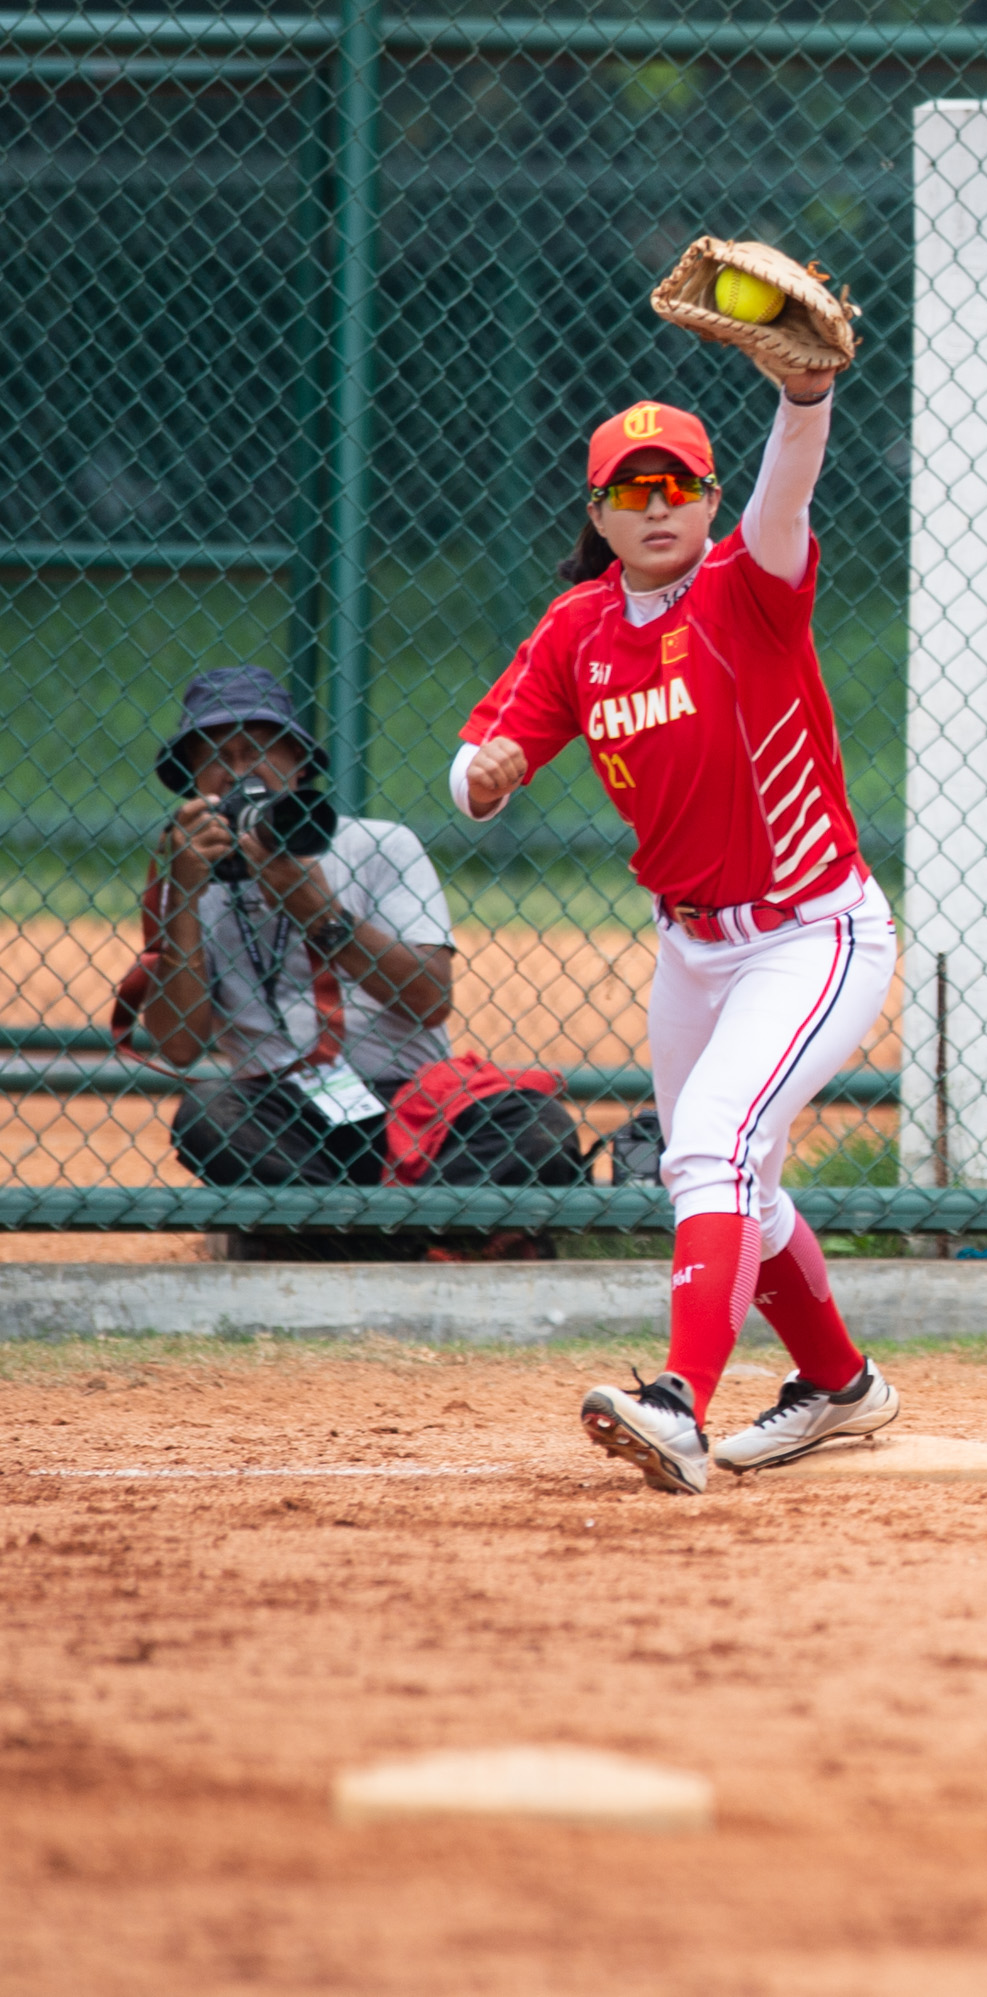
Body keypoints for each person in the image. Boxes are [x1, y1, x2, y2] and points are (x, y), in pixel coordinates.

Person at [455, 353, 900, 1495]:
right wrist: (487, 774)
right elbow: (470, 768)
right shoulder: (577, 629)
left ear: (709, 500)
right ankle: (841, 1388)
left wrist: (806, 398)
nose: (656, 508)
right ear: (597, 513)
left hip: (812, 932)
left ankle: (678, 1408)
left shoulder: (751, 582)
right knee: (730, 1172)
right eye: (630, 492)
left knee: (705, 1141)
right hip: (693, 947)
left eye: (678, 487)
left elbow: (789, 489)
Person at [131, 667, 456, 1186]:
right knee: (208, 1115)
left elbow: (430, 998)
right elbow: (178, 1047)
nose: (240, 772)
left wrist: (318, 913)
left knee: (532, 1125)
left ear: (300, 763)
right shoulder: (189, 874)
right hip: (280, 1112)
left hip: (410, 1096)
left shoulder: (379, 846)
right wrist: (184, 903)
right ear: (193, 781)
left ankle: (316, 1231)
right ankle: (389, 1229)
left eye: (258, 749)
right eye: (217, 756)